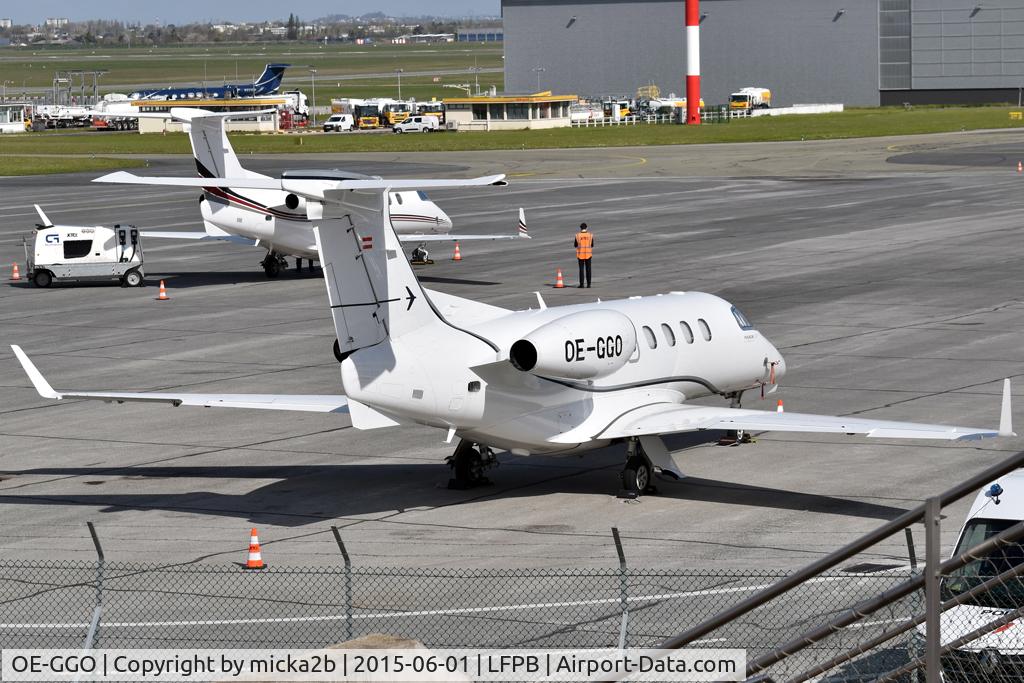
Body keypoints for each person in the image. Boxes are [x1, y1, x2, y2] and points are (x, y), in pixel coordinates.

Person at [574, 222, 594, 288]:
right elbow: (592, 245)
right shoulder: (590, 235)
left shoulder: (577, 235)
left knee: (581, 270)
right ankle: (589, 284)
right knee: (588, 269)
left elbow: (575, 245)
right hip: (588, 255)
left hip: (580, 255)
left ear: (580, 228)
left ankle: (582, 284)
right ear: (586, 228)